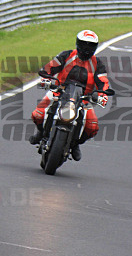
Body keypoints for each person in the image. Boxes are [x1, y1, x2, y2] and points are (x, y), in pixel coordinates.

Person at [28, 30, 110, 161]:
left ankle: (75, 144)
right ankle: (41, 133)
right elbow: (50, 67)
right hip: (59, 91)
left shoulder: (98, 64)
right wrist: (46, 77)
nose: (87, 48)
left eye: (90, 45)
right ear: (78, 43)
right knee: (38, 114)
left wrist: (102, 95)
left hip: (84, 99)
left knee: (92, 126)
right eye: (84, 44)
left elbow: (103, 82)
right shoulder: (67, 55)